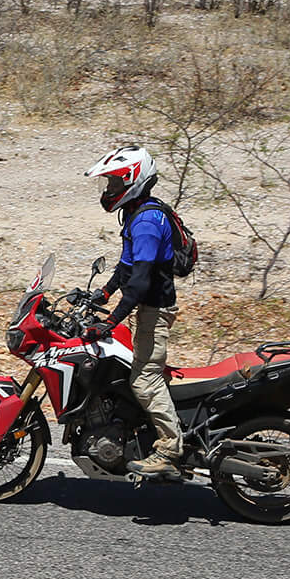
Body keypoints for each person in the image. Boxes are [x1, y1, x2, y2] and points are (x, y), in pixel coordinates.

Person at [81, 146, 183, 481]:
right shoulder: (137, 213)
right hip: (146, 307)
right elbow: (127, 267)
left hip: (154, 310)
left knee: (144, 378)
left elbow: (138, 284)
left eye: (113, 183)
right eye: (107, 183)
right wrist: (103, 293)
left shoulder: (148, 222)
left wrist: (110, 322)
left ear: (133, 180)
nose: (109, 190)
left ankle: (169, 448)